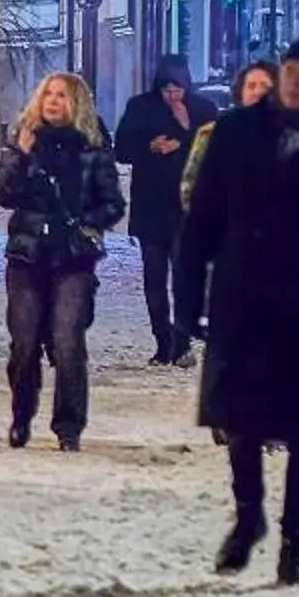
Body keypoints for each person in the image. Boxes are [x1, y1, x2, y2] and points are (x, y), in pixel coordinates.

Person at [174, 30, 299, 591]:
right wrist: (186, 296)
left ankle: (295, 545)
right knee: (239, 421)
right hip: (243, 299)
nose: (292, 83)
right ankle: (248, 516)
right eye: (289, 71)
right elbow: (202, 220)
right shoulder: (237, 132)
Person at [0, 72, 125, 452]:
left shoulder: (93, 146)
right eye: (48, 94)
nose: (52, 101)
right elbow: (2, 194)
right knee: (24, 343)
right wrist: (20, 155)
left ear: (76, 103)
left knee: (67, 341)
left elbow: (113, 204)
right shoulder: (24, 138)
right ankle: (21, 414)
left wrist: (85, 224)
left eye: (62, 95)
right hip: (28, 254)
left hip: (73, 259)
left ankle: (69, 426)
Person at [114, 55, 201, 365]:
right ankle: (163, 341)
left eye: (178, 90)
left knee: (184, 278)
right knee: (154, 278)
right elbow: (121, 150)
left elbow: (214, 149)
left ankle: (182, 342)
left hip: (189, 208)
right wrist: (149, 147)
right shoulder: (140, 108)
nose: (173, 96)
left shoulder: (201, 108)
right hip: (151, 206)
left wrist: (185, 130)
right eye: (167, 90)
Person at [182, 59, 278, 214]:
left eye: (265, 86)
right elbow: (190, 187)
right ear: (240, 92)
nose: (258, 92)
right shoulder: (211, 133)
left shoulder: (292, 135)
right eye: (251, 86)